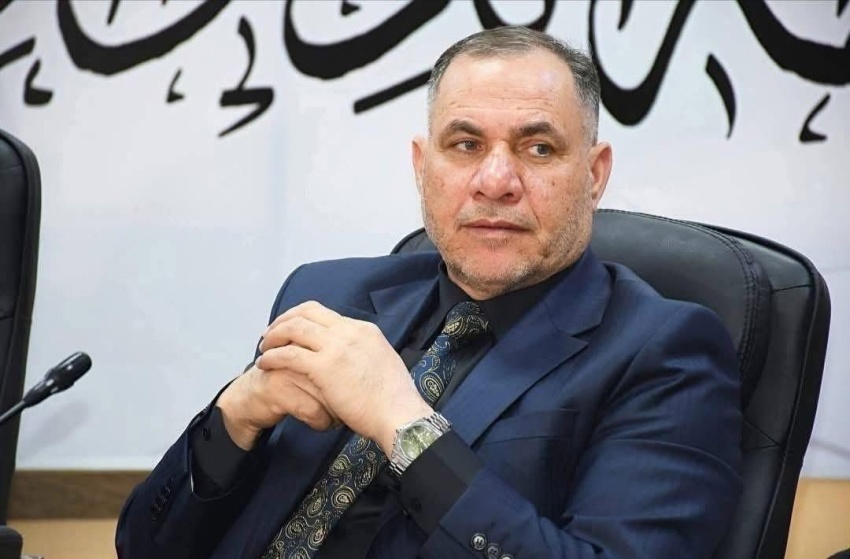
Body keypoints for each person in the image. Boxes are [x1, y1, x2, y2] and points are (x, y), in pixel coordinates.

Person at [115, 26, 741, 559]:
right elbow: (143, 546)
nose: (495, 181)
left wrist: (405, 426)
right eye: (465, 146)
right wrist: (234, 418)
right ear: (422, 167)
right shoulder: (326, 294)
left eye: (538, 148)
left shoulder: (665, 353)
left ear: (595, 175)